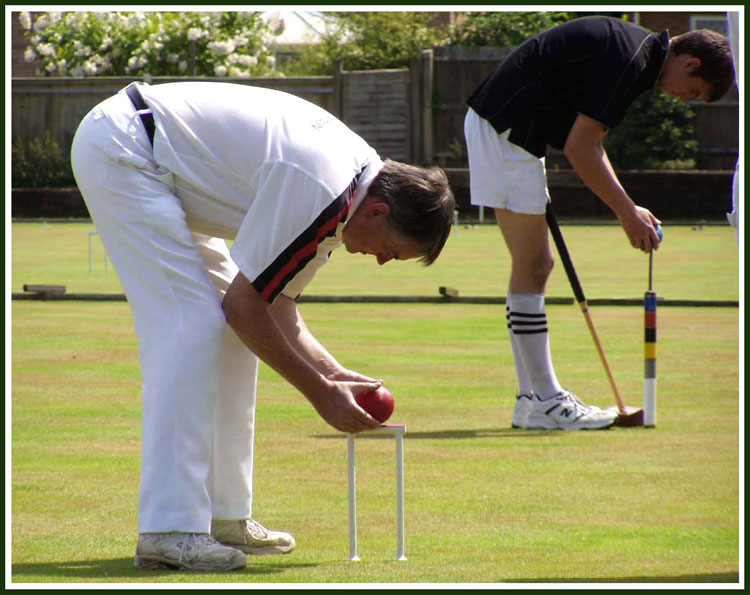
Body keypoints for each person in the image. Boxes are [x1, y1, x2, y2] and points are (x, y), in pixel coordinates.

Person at [70, 81, 455, 571]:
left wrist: (334, 375)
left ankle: (223, 516)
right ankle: (169, 528)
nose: (381, 262)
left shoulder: (348, 197)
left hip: (163, 167)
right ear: (378, 212)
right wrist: (319, 393)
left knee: (230, 336)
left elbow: (277, 306)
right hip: (127, 150)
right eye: (391, 250)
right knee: (192, 325)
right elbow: (245, 306)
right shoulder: (322, 188)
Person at [463, 16, 735, 430]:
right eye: (693, 91)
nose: (684, 99)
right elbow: (580, 147)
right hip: (506, 128)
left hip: (512, 129)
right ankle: (545, 400)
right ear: (691, 63)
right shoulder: (633, 60)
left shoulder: (636, 56)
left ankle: (531, 400)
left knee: (535, 265)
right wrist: (628, 212)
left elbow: (588, 141)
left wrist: (629, 209)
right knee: (535, 264)